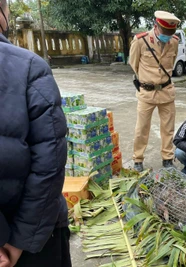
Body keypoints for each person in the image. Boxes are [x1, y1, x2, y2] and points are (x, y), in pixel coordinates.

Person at [0, 1, 71, 266]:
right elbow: (51, 163)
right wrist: (17, 243)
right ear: (4, 15)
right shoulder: (29, 66)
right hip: (32, 237)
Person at [129, 11, 181, 172]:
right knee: (141, 129)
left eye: (170, 33)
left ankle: (167, 159)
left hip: (166, 91)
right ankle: (138, 159)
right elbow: (134, 64)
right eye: (165, 32)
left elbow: (171, 63)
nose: (167, 36)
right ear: (155, 26)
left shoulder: (174, 42)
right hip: (147, 93)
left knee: (168, 128)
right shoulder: (140, 41)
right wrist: (147, 80)